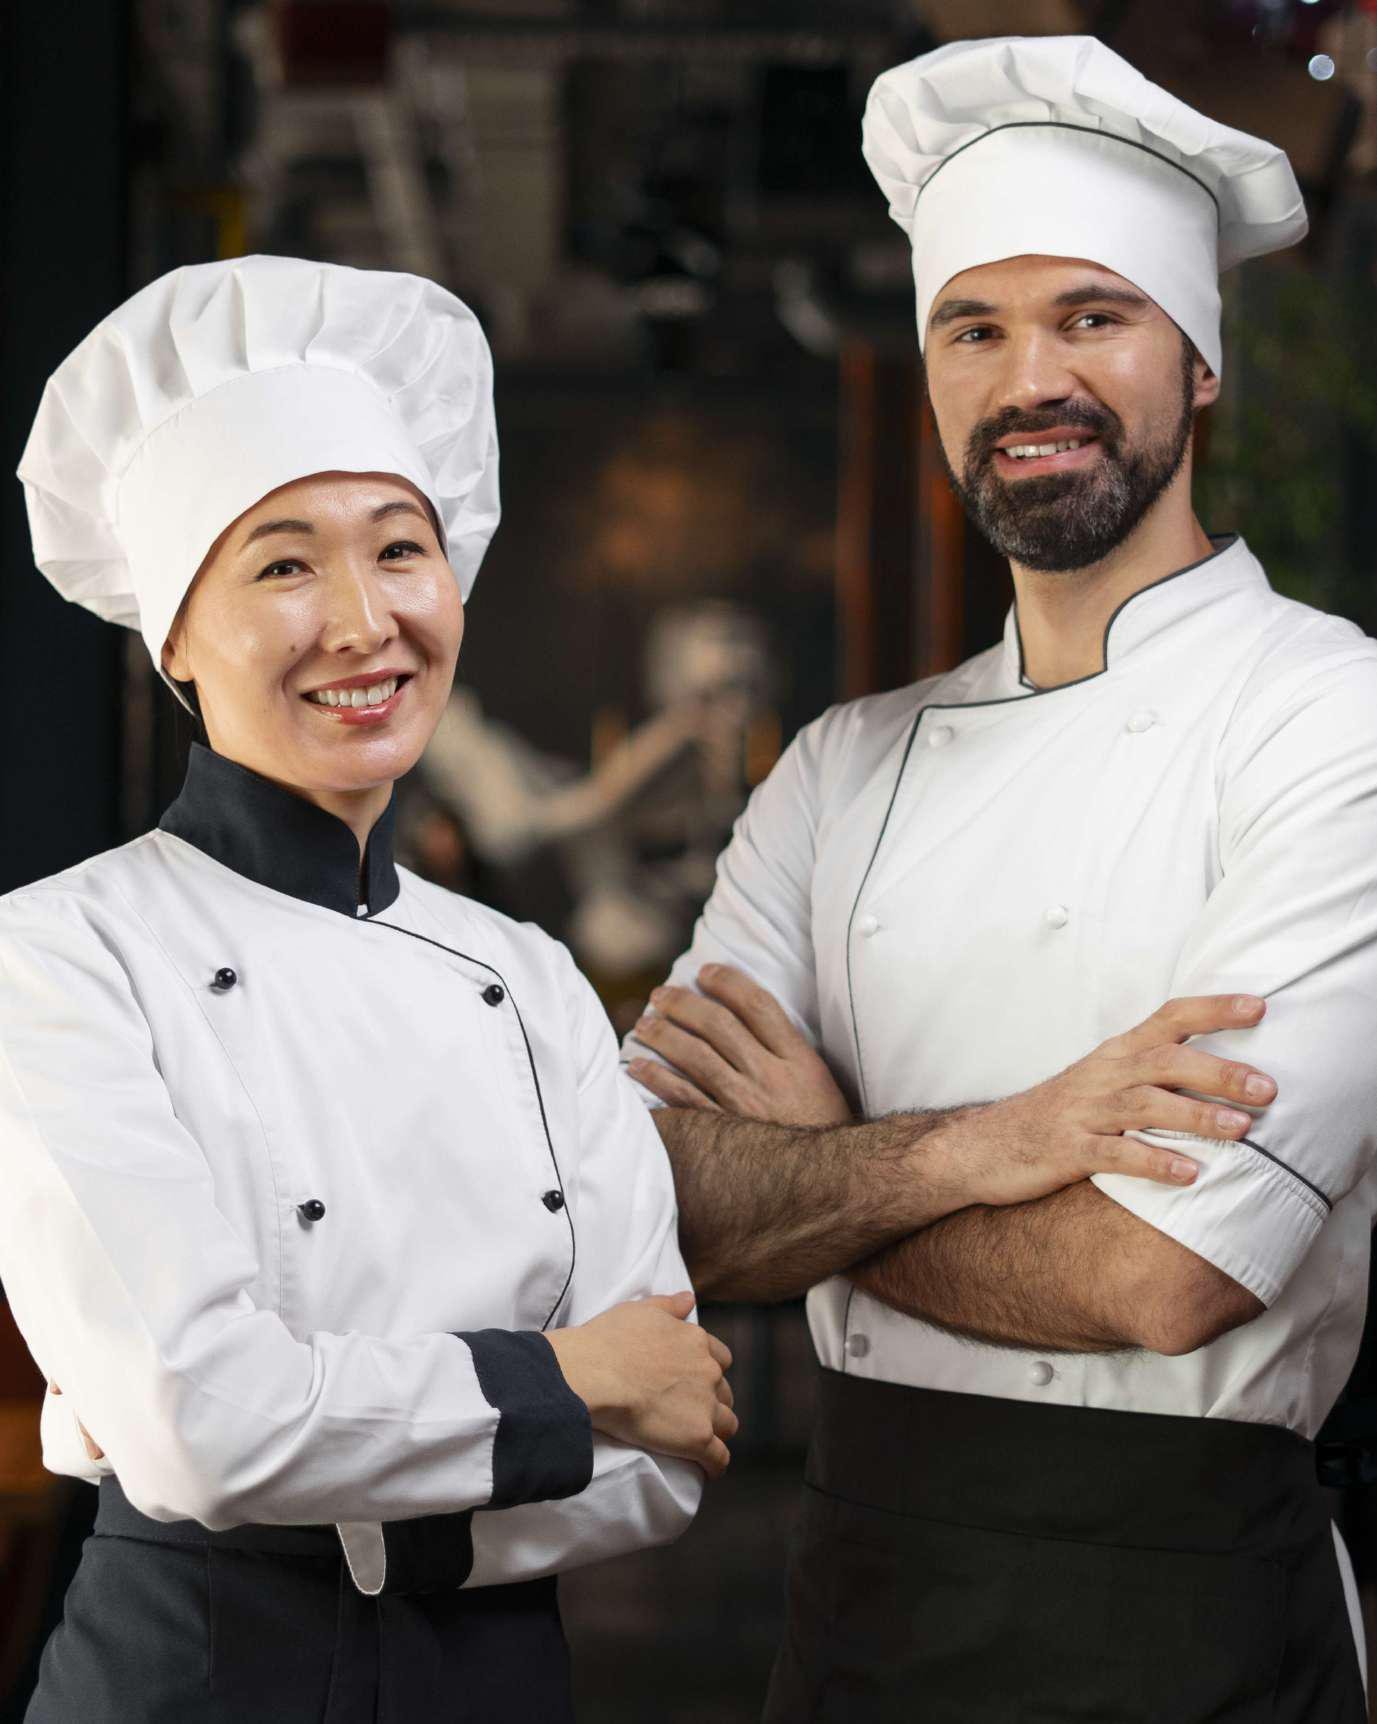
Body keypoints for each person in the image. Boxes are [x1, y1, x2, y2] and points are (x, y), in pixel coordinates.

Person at [625, 34, 1377, 1724]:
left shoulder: (1333, 721)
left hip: (1181, 1600)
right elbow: (654, 1195)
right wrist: (993, 1146)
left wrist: (820, 1174)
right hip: (864, 1586)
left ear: (1197, 365)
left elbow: (1161, 1276)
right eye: (974, 328)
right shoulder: (841, 765)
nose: (1026, 377)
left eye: (1089, 319)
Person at [0, 254, 741, 1724]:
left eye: (400, 550)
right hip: (194, 1676)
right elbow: (206, 1431)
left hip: (500, 1686)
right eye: (283, 563)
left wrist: (330, 1441)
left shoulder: (527, 978)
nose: (363, 621)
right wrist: (569, 1379)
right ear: (176, 637)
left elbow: (666, 1450)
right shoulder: (57, 953)